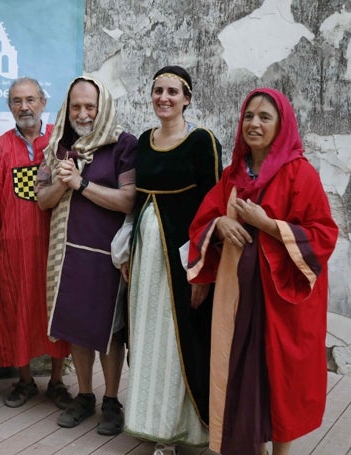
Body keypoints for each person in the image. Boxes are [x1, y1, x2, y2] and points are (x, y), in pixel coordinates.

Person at [187, 88, 338, 455]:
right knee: (240, 370)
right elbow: (203, 221)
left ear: (281, 125)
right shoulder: (233, 176)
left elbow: (323, 233)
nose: (254, 123)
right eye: (248, 116)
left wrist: (269, 225)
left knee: (278, 376)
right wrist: (221, 222)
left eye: (264, 117)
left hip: (280, 299)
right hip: (237, 295)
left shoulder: (299, 174)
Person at [111, 66, 222, 454]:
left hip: (182, 265)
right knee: (148, 340)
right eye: (158, 90)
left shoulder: (203, 141)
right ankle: (153, 427)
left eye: (173, 92)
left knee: (182, 344)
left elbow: (214, 211)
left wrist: (203, 272)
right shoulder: (144, 140)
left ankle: (185, 429)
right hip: (146, 264)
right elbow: (139, 204)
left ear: (187, 98)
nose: (164, 97)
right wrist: (128, 251)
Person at [36, 76, 137, 435]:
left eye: (89, 106)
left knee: (109, 332)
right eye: (76, 106)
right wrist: (62, 183)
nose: (82, 113)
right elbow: (41, 199)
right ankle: (84, 395)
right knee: (78, 329)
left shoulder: (123, 144)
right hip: (68, 254)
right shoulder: (59, 145)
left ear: (103, 106)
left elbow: (129, 199)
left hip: (109, 256)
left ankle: (111, 401)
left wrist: (82, 184)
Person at [0, 77, 72, 409]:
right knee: (15, 308)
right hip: (14, 246)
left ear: (43, 103)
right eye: (17, 101)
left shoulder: (59, 143)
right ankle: (25, 380)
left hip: (54, 244)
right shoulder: (1, 147)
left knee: (54, 309)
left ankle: (58, 381)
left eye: (31, 99)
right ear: (10, 107)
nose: (25, 107)